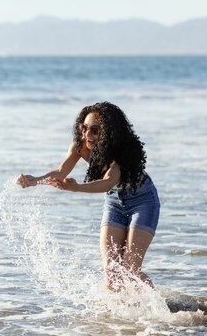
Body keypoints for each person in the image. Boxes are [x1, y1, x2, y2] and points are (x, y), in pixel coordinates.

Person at [17, 102, 160, 291]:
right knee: (111, 274)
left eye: (94, 130)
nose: (87, 135)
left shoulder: (121, 155)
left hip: (142, 201)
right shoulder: (81, 146)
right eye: (84, 128)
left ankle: (159, 308)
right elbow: (61, 171)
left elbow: (107, 182)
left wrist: (76, 188)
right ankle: (120, 317)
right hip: (114, 202)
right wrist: (35, 180)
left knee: (130, 269)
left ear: (109, 131)